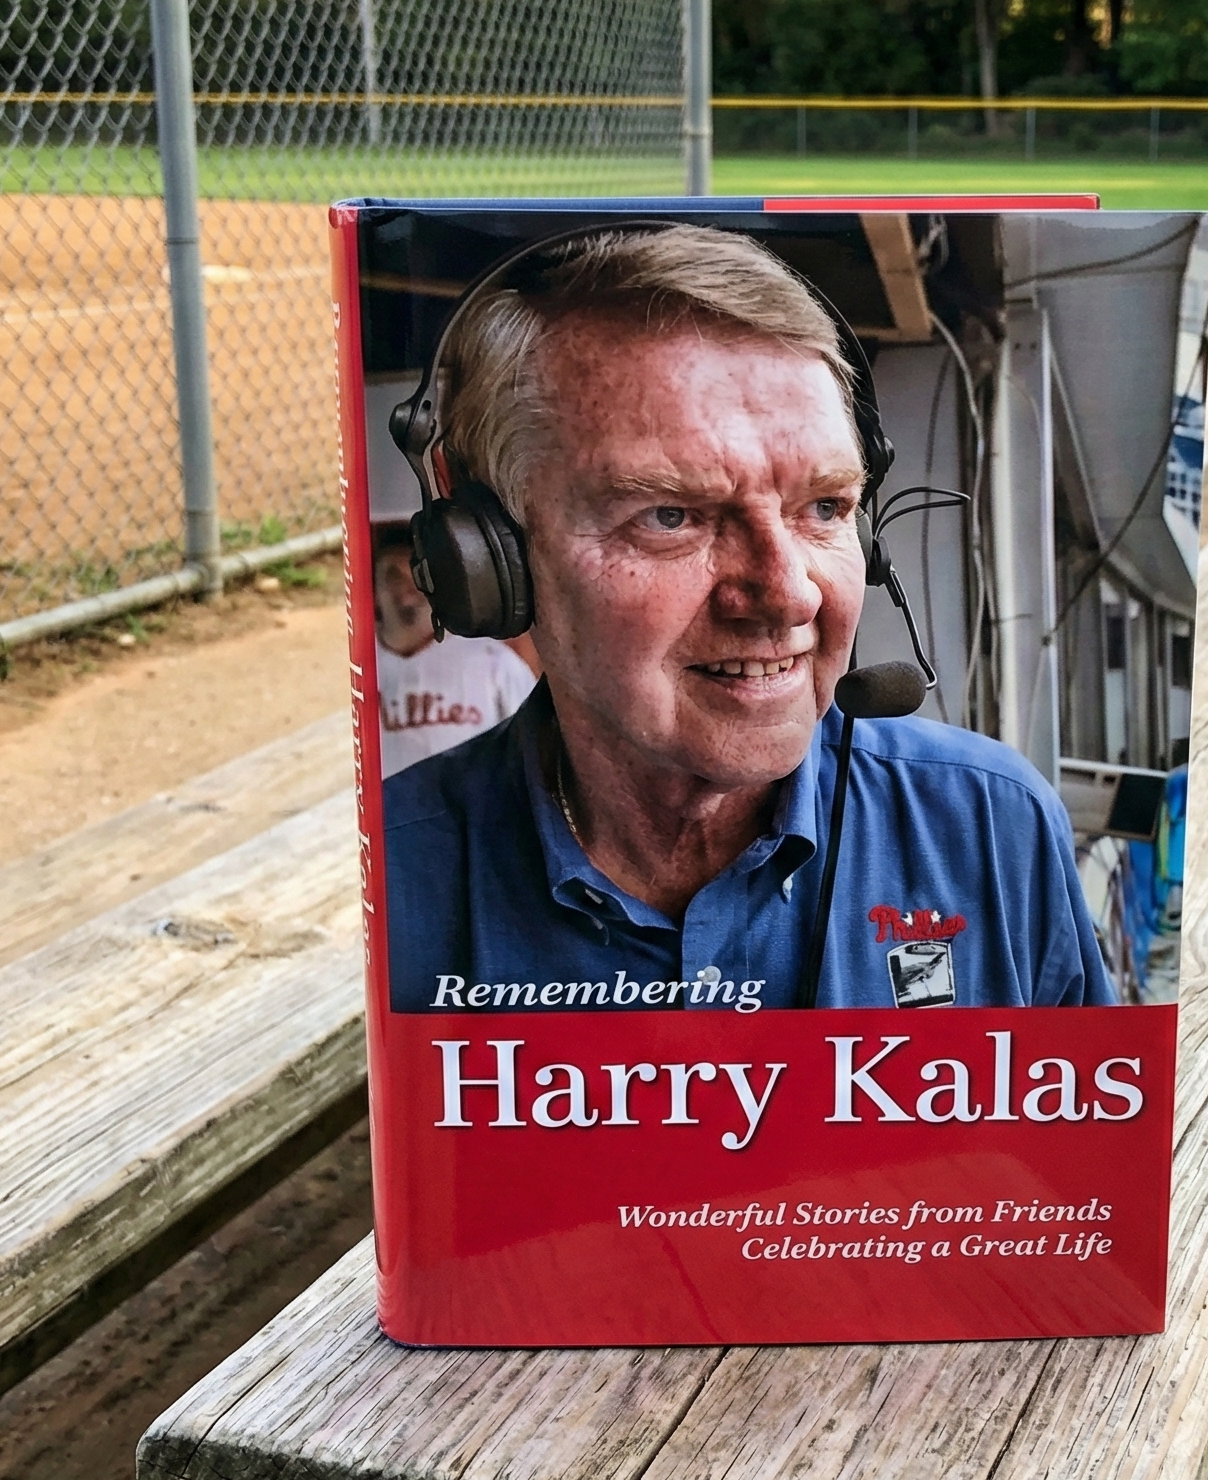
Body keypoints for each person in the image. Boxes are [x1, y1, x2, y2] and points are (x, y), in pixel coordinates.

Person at [379, 222, 1113, 1013]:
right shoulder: (392, 874)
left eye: (825, 506)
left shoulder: (993, 828)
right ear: (493, 560)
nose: (790, 594)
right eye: (671, 516)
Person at [370, 528, 535, 779]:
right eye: (392, 575)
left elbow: (534, 747)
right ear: (373, 592)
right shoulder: (356, 666)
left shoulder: (493, 662)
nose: (406, 587)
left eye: (417, 575)